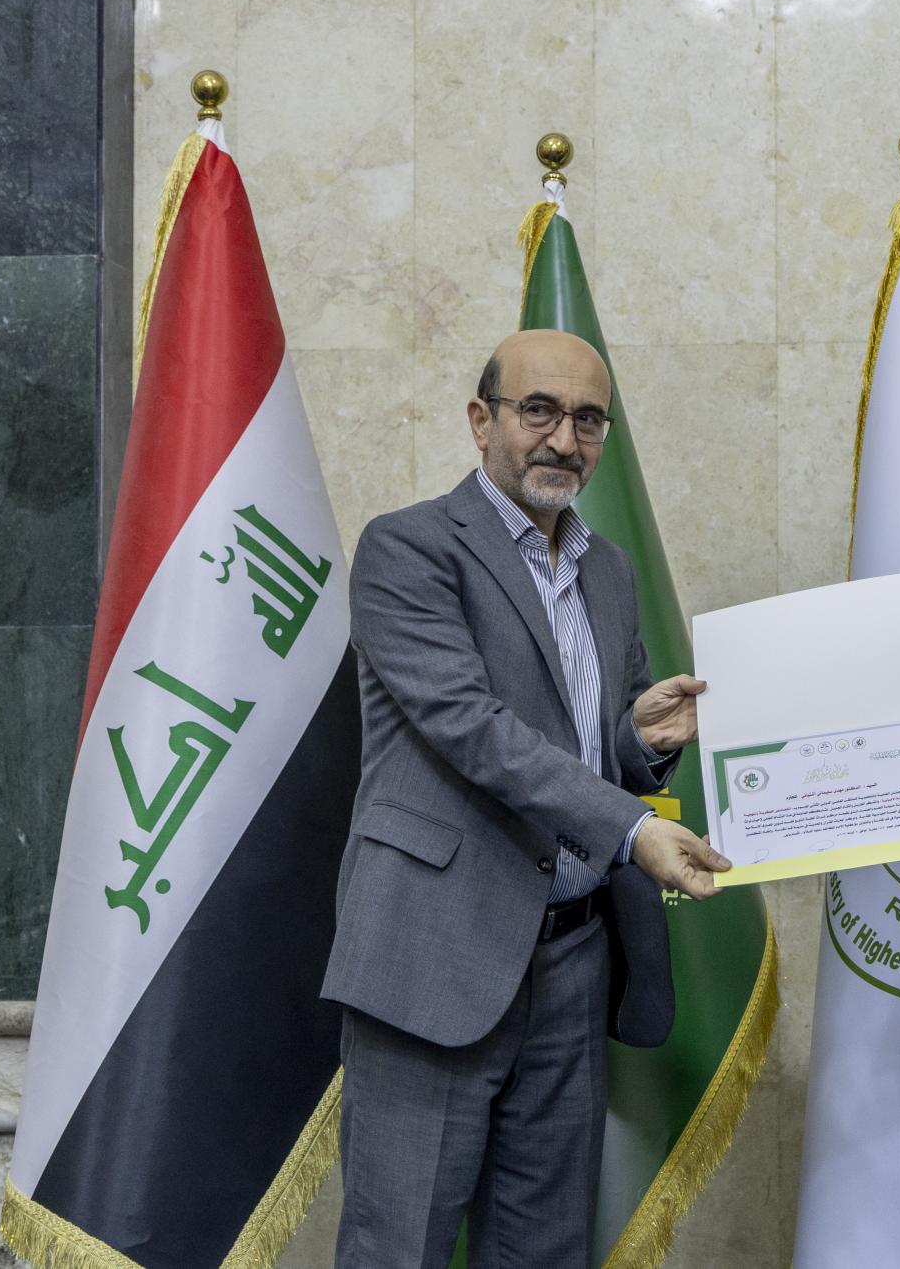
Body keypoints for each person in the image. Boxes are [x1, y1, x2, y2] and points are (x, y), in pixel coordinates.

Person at [320, 329, 731, 1267]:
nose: (563, 439)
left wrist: (637, 741)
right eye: (538, 410)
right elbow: (473, 729)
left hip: (573, 960)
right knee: (398, 1249)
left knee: (546, 1251)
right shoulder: (408, 549)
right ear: (482, 420)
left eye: (588, 419)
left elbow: (585, 745)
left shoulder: (608, 569)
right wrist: (632, 828)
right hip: (436, 956)